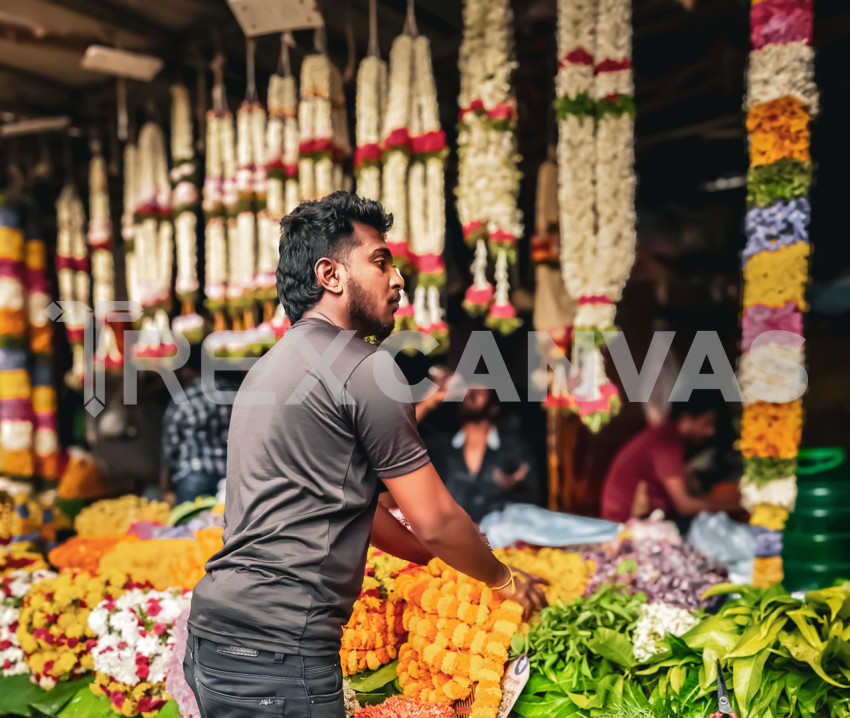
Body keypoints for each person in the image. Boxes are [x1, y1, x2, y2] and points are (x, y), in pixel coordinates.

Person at [185, 192, 546, 718]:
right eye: (380, 261)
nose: (399, 279)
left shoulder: (268, 369)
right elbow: (438, 518)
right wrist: (502, 580)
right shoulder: (367, 368)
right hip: (282, 652)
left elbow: (355, 505)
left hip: (214, 635)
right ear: (330, 275)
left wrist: (424, 555)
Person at [599, 391, 740, 523]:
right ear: (688, 417)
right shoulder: (666, 443)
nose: (711, 431)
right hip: (625, 524)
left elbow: (692, 492)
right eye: (707, 423)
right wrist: (740, 506)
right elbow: (684, 505)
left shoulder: (669, 436)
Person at [426, 385, 542, 522]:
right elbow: (397, 438)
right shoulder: (439, 446)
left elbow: (534, 499)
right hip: (451, 535)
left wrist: (517, 485)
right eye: (467, 390)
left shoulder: (513, 446)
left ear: (494, 406)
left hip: (500, 537)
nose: (471, 393)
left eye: (478, 391)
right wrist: (428, 402)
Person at [160, 348, 237, 504]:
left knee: (191, 527)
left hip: (193, 477)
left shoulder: (182, 399)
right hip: (231, 474)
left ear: (188, 370)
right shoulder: (233, 391)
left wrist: (164, 489)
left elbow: (169, 448)